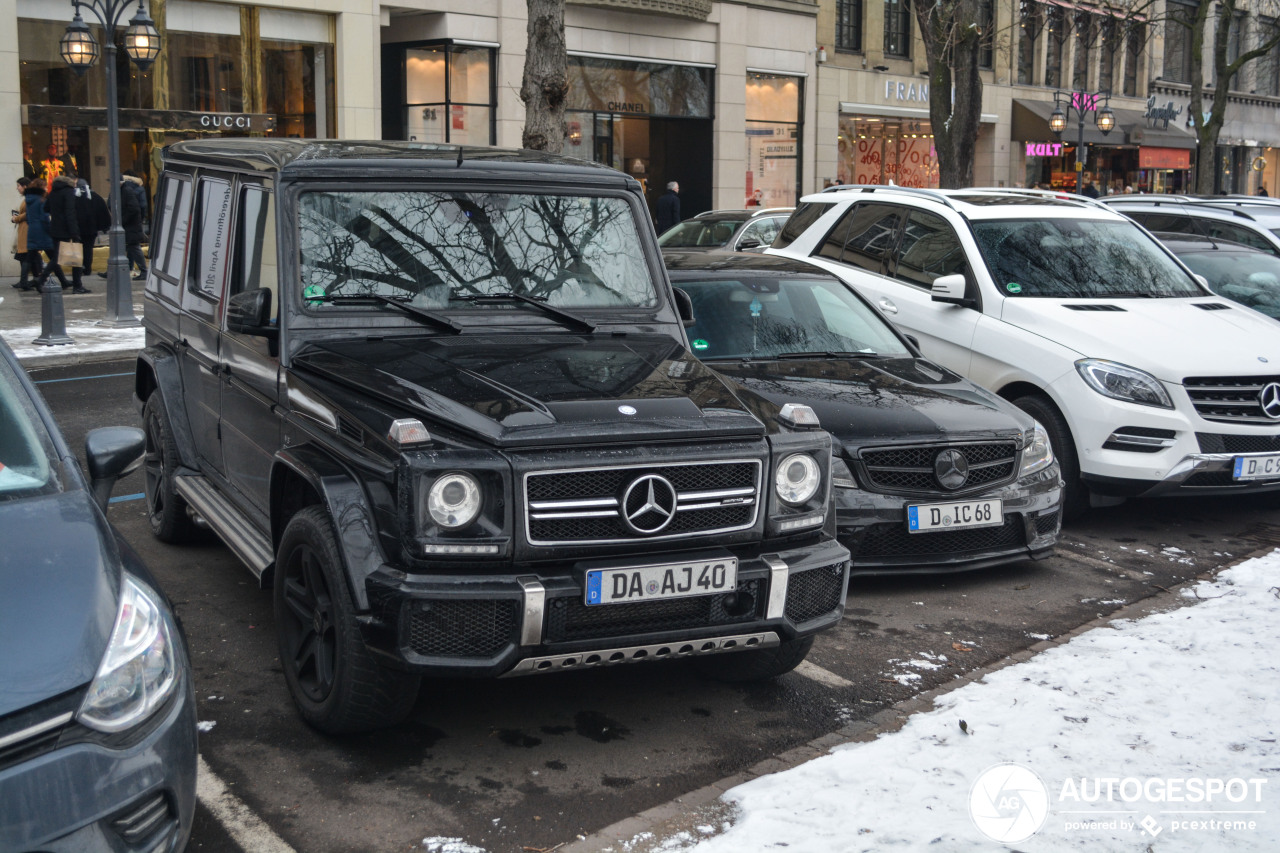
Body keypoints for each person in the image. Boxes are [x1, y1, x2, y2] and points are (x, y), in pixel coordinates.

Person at [36, 174, 83, 292]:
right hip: (66, 229)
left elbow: (46, 208)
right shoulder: (68, 192)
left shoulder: (54, 192)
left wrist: (56, 212)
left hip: (55, 229)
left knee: (59, 257)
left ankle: (76, 284)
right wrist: (74, 232)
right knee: (64, 257)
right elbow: (70, 212)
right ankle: (42, 279)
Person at [18, 178, 60, 291]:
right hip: (42, 231)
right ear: (41, 188)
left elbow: (28, 217)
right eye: (45, 186)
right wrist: (50, 230)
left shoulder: (29, 199)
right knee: (54, 257)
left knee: (29, 257)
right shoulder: (41, 200)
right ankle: (48, 280)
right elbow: (44, 217)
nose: (46, 188)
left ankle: (23, 282)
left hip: (32, 230)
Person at [74, 178, 109, 282]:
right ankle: (87, 268)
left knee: (78, 249)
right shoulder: (96, 197)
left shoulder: (74, 198)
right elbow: (103, 212)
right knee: (88, 249)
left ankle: (79, 268)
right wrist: (103, 227)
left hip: (78, 229)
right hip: (91, 229)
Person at [120, 171, 148, 280]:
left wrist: (124, 219)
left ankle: (142, 270)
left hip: (131, 223)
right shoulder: (135, 189)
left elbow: (136, 207)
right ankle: (130, 268)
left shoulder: (127, 191)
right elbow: (142, 206)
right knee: (131, 246)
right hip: (134, 223)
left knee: (133, 246)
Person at [11, 177, 31, 289]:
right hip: (23, 230)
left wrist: (17, 218)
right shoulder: (25, 198)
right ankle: (25, 281)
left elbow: (28, 213)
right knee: (23, 256)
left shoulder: (29, 198)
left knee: (26, 256)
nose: (17, 188)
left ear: (25, 186)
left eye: (19, 185)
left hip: (27, 230)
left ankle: (27, 281)